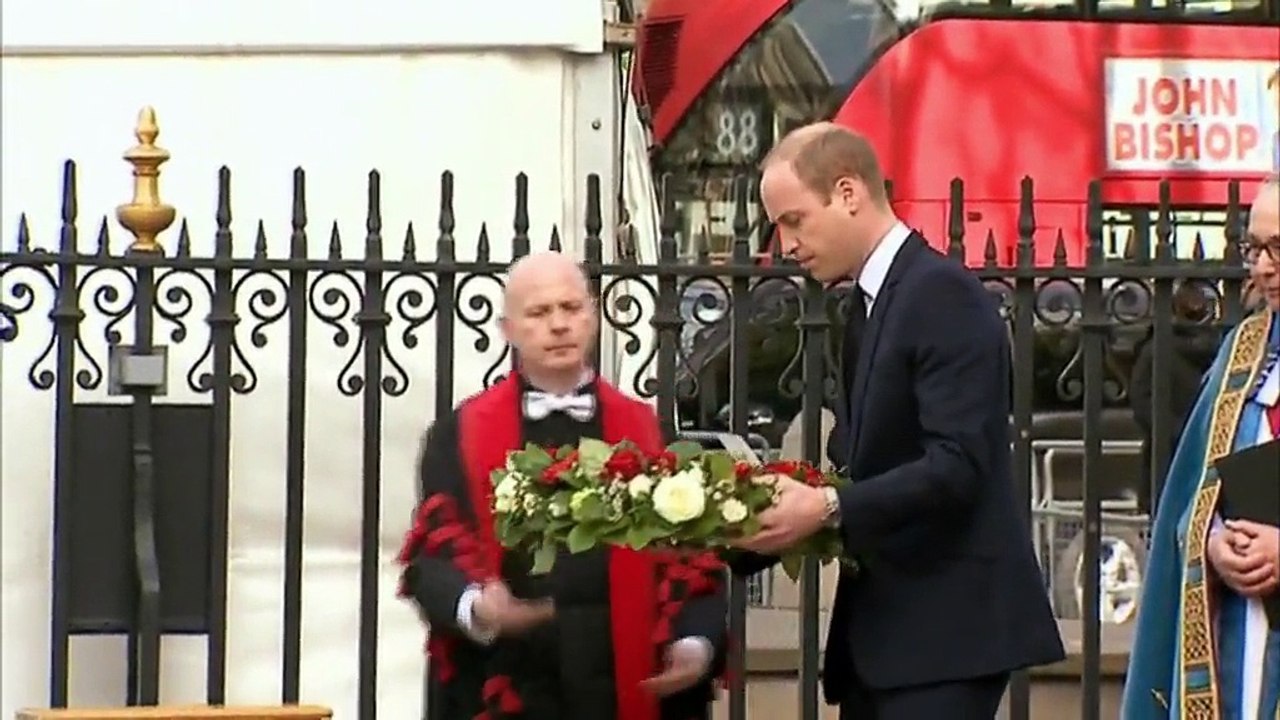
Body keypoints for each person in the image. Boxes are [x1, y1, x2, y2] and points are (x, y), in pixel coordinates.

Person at [727, 122, 1065, 719]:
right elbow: (871, 466)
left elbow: (958, 464)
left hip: (945, 642)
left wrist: (827, 506)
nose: (785, 245)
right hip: (890, 642)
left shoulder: (941, 295)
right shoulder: (869, 302)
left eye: (795, 220)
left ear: (849, 192)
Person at [397, 252, 728, 720]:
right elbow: (433, 556)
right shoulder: (459, 433)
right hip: (508, 685)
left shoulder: (648, 430)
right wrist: (478, 606)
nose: (558, 325)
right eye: (539, 312)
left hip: (624, 687)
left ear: (593, 317)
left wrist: (696, 643)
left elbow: (694, 557)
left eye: (571, 308)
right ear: (508, 329)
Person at [1123, 177, 1280, 720]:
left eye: (1278, 247)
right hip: (1242, 640)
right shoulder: (1243, 352)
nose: (1261, 268)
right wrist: (1212, 543)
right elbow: (1193, 497)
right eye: (1252, 248)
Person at [1129, 282, 1221, 513]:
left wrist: (1170, 429)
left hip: (1166, 453)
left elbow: (1140, 398)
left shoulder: (1156, 348)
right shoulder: (1222, 346)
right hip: (1212, 446)